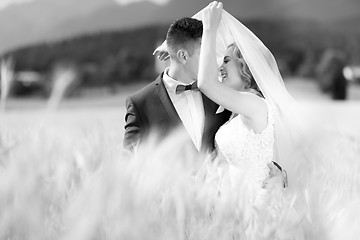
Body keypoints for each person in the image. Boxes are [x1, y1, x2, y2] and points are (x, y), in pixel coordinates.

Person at [123, 17, 231, 153]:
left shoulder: (220, 92)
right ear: (183, 56)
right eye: (206, 53)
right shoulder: (140, 103)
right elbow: (128, 161)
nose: (211, 60)